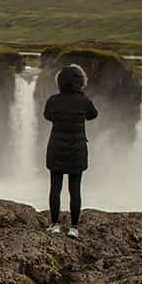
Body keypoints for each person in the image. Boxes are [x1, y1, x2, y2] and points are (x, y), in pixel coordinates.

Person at [44, 64, 98, 239]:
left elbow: (48, 116)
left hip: (56, 148)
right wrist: (80, 95)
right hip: (77, 149)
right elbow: (93, 115)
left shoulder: (53, 100)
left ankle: (54, 225)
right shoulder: (84, 101)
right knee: (75, 190)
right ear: (80, 82)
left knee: (55, 187)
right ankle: (74, 228)